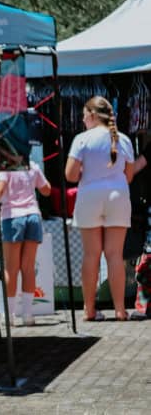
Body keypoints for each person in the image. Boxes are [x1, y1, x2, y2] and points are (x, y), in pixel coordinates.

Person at [65, 96, 134, 322]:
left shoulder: (81, 139)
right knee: (115, 254)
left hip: (90, 195)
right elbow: (129, 175)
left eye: (84, 116)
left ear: (93, 115)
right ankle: (120, 310)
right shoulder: (124, 139)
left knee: (91, 254)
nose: (83, 120)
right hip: (117, 195)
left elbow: (70, 175)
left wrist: (87, 172)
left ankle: (89, 310)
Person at [0, 160, 51, 326]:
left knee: (11, 269)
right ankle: (28, 314)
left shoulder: (5, 168)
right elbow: (46, 190)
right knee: (28, 268)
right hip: (33, 215)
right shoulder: (33, 166)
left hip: (12, 217)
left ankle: (9, 315)